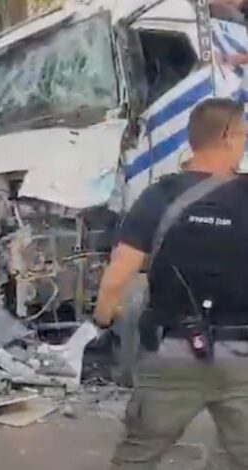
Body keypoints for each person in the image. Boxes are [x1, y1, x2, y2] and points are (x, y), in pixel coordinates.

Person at [94, 98, 248, 469]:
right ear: (227, 137)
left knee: (137, 458)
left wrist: (104, 318)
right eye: (244, 135)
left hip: (170, 354)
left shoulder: (159, 196)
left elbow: (117, 277)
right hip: (242, 359)